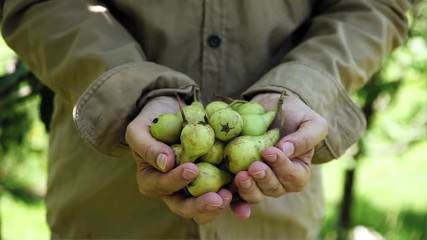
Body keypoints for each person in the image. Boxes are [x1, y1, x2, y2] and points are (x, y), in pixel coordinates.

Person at [0, 0, 408, 239]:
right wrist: (131, 92)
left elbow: (375, 5)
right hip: (106, 210)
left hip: (277, 215)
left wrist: (301, 89)